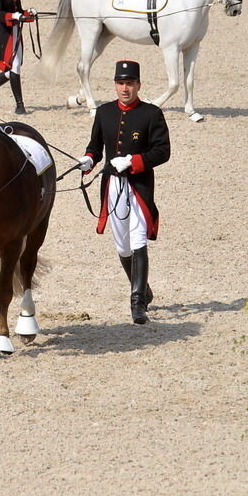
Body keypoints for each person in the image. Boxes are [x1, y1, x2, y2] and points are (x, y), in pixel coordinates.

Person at [77, 60, 170, 325]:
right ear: (115, 85)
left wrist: (134, 161)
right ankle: (144, 289)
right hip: (113, 185)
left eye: (130, 83)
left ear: (138, 85)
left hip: (138, 186)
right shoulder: (104, 112)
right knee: (123, 246)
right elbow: (95, 146)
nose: (125, 88)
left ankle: (137, 304)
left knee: (138, 238)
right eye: (121, 83)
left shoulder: (152, 114)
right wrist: (88, 159)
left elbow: (163, 151)